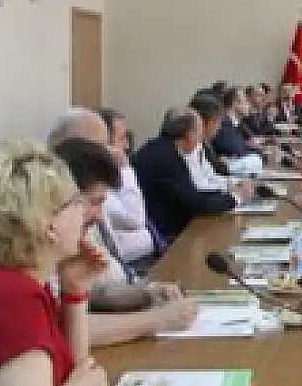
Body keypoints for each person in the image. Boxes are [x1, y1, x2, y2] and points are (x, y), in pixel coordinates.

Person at [0, 139, 108, 386]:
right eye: (76, 202)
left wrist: (75, 288)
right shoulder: (12, 297)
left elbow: (72, 370)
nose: (85, 213)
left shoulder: (15, 279)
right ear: (50, 225)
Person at [53, 138, 197, 347]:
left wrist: (145, 294)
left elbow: (95, 293)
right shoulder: (37, 253)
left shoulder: (79, 233)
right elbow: (63, 329)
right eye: (94, 202)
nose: (99, 217)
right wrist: (159, 319)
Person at [133, 107, 251, 238]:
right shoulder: (166, 159)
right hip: (167, 236)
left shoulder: (162, 148)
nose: (200, 141)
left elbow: (193, 195)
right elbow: (196, 205)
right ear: (189, 136)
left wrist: (228, 194)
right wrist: (236, 197)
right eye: (199, 135)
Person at [94, 108, 163, 270]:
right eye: (122, 138)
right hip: (132, 265)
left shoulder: (109, 174)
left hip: (147, 254)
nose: (126, 145)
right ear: (103, 144)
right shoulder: (94, 186)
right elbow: (135, 219)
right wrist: (125, 168)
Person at [213, 87, 258, 157]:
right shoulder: (224, 124)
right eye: (246, 101)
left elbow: (251, 141)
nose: (249, 105)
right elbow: (236, 149)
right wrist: (248, 145)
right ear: (236, 104)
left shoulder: (237, 123)